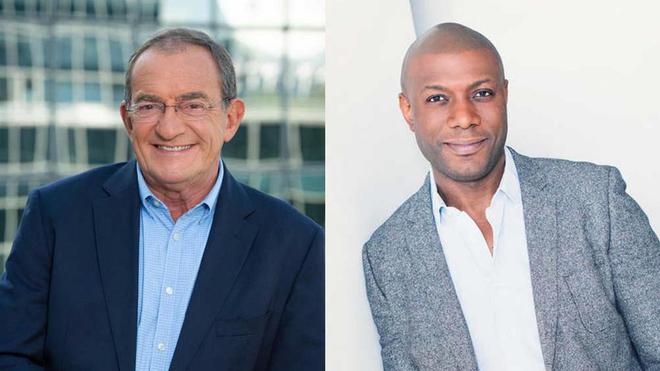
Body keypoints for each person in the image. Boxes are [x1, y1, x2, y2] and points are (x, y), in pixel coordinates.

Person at [0, 28, 324, 371]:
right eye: (150, 105)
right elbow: (9, 354)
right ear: (128, 119)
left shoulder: (296, 245)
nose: (169, 128)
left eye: (193, 105)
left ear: (231, 120)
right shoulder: (56, 215)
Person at [363, 22, 659, 370]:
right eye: (437, 99)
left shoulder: (596, 200)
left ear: (504, 94)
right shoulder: (387, 256)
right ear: (408, 110)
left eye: (482, 93)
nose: (464, 117)